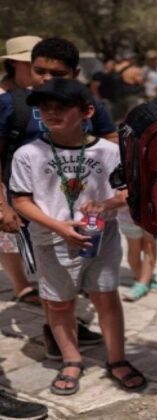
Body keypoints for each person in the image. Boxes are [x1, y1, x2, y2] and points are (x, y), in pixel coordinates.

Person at [10, 78, 145, 396]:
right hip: (52, 241)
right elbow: (21, 200)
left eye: (61, 107)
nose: (51, 113)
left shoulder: (109, 151)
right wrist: (58, 227)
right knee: (58, 304)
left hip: (102, 237)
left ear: (86, 111)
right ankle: (71, 360)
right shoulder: (28, 154)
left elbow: (126, 191)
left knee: (106, 297)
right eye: (45, 108)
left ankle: (117, 359)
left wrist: (108, 202)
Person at [0, 36, 115, 359]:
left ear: (75, 73)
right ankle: (56, 334)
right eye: (40, 71)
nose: (47, 80)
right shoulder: (11, 104)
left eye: (58, 73)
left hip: (81, 205)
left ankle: (66, 326)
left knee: (78, 270)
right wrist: (4, 203)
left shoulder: (89, 102)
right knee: (51, 277)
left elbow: (110, 139)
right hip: (32, 207)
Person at [0, 36, 43, 307]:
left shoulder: (39, 94)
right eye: (34, 64)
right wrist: (2, 202)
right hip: (7, 183)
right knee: (7, 235)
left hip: (35, 184)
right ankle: (21, 285)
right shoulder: (2, 99)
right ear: (15, 63)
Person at [119, 207, 157, 301]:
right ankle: (142, 281)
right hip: (130, 216)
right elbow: (121, 197)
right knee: (136, 248)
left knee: (149, 246)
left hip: (150, 214)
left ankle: (144, 281)